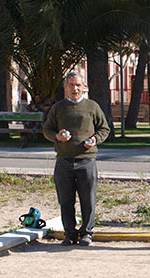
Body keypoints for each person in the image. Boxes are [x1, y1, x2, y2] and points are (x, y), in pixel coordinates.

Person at [43, 72, 110, 246]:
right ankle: (70, 234)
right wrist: (57, 136)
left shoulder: (92, 107)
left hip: (86, 161)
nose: (75, 88)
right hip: (64, 161)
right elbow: (47, 130)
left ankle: (87, 233)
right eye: (71, 85)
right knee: (65, 200)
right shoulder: (58, 108)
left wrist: (95, 139)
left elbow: (104, 129)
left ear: (84, 87)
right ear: (65, 86)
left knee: (88, 199)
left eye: (78, 85)